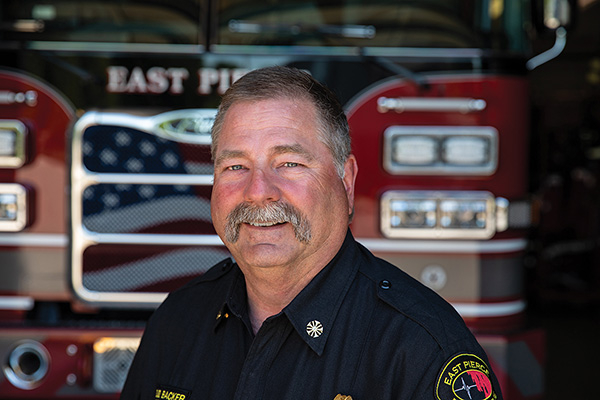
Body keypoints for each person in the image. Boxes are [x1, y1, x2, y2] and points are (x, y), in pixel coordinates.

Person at [120, 66, 503, 400]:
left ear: (346, 181)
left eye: (288, 163)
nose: (258, 191)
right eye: (236, 166)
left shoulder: (422, 351)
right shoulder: (177, 322)